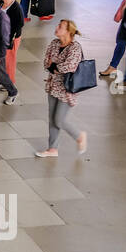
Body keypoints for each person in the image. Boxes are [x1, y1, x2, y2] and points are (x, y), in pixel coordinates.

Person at [37, 19, 87, 158]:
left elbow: (70, 66)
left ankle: (79, 136)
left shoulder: (75, 48)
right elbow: (46, 63)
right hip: (53, 86)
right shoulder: (54, 43)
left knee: (59, 119)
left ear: (68, 32)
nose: (57, 28)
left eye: (60, 27)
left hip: (67, 89)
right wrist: (54, 67)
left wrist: (54, 67)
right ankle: (52, 148)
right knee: (52, 119)